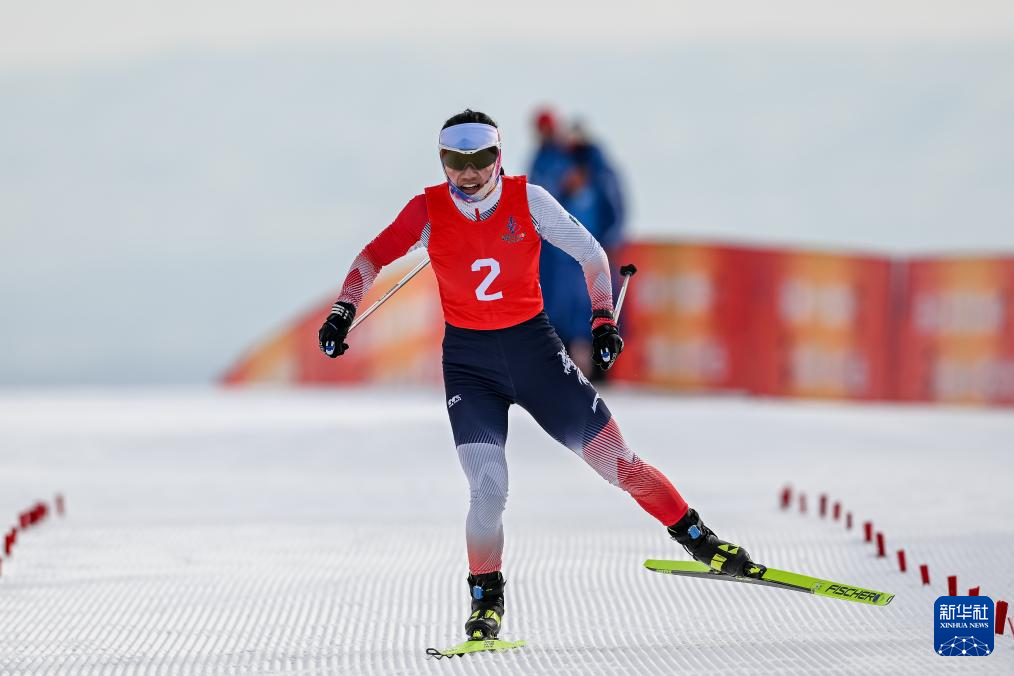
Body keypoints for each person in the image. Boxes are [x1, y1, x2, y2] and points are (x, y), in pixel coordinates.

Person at [317, 109, 756, 642]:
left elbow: (591, 254)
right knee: (488, 488)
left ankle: (702, 542)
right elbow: (370, 258)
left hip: (536, 356)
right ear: (443, 162)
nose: (470, 173)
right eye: (456, 162)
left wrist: (601, 319)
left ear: (498, 158)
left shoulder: (529, 199)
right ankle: (486, 599)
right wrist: (343, 311)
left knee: (620, 465)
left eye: (481, 160)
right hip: (469, 367)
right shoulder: (427, 210)